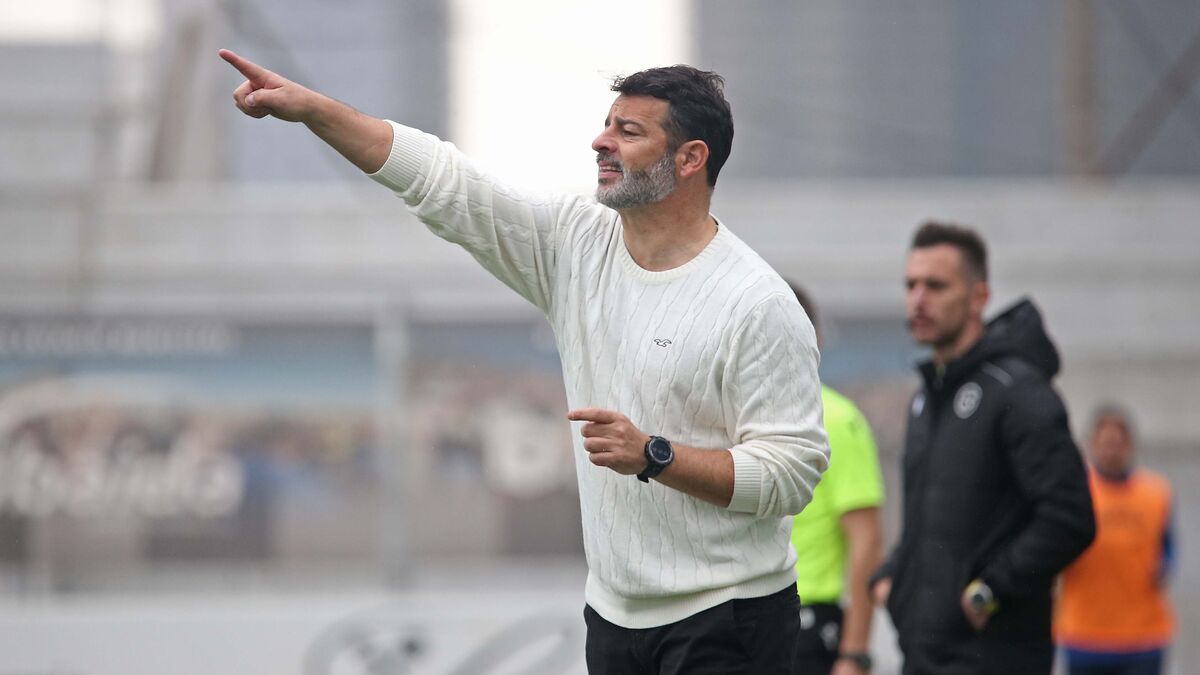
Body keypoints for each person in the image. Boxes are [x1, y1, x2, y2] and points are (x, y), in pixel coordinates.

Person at [219, 50, 829, 674]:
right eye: (607, 125)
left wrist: (655, 456)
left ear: (690, 158)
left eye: (629, 131)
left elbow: (791, 475)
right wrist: (314, 111)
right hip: (614, 617)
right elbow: (442, 179)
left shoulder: (757, 303)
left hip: (729, 619)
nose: (601, 142)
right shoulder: (575, 245)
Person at [869, 221, 1095, 675]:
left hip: (994, 656)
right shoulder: (926, 397)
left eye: (936, 286)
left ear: (979, 297)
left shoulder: (1018, 392)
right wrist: (893, 576)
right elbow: (936, 518)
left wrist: (990, 590)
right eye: (911, 285)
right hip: (922, 653)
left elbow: (1070, 518)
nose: (918, 299)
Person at [786, 282, 884, 675]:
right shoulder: (734, 416)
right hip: (740, 617)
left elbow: (867, 540)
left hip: (807, 620)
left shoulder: (837, 421)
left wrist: (854, 653)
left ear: (816, 341)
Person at [1054, 405, 1176, 675]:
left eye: (1118, 443)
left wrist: (1163, 567)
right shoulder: (1075, 493)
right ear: (1092, 445)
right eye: (1105, 443)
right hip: (1084, 633)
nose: (1111, 450)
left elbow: (1167, 546)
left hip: (1142, 634)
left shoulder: (1155, 493)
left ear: (1130, 445)